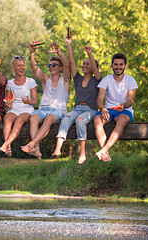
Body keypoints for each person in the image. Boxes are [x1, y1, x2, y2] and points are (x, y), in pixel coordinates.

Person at [52, 35, 102, 164]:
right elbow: (71, 62)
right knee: (67, 118)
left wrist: (89, 54)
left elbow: (95, 69)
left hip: (90, 110)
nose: (84, 65)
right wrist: (69, 43)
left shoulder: (97, 80)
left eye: (88, 63)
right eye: (84, 63)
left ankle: (82, 153)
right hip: (77, 108)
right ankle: (58, 148)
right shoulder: (78, 78)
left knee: (80, 121)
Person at [21, 41, 70, 157]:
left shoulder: (65, 80)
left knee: (48, 119)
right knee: (33, 118)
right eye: (49, 65)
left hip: (57, 111)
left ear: (61, 68)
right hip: (43, 109)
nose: (51, 67)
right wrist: (32, 53)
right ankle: (36, 149)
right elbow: (34, 68)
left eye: (54, 65)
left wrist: (59, 52)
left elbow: (68, 65)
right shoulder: (46, 79)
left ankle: (32, 143)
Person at [94, 53, 138, 162]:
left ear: (125, 66)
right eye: (116, 64)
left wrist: (123, 105)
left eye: (121, 64)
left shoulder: (130, 80)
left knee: (122, 120)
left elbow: (130, 101)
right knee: (97, 120)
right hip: (109, 109)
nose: (118, 67)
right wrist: (103, 109)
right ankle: (105, 154)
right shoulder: (106, 80)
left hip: (124, 110)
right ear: (112, 66)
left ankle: (104, 150)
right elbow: (99, 99)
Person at [0, 56, 37, 156]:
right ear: (13, 68)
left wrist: (29, 102)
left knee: (19, 120)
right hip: (14, 109)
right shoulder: (10, 83)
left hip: (27, 109)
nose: (21, 67)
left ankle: (6, 144)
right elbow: (8, 101)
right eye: (19, 65)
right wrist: (8, 104)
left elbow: (35, 101)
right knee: (7, 119)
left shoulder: (31, 81)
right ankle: (8, 148)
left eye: (23, 65)